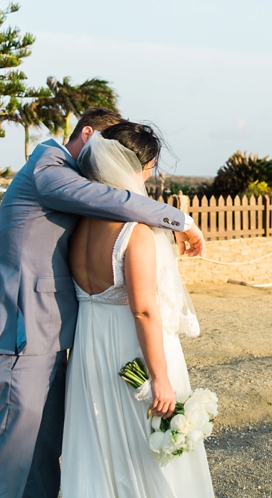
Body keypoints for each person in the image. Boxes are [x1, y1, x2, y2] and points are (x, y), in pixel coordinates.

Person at [0, 108, 205, 498]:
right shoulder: (49, 167)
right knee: (5, 464)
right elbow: (105, 197)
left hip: (55, 341)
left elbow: (108, 206)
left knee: (42, 459)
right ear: (90, 134)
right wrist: (181, 220)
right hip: (19, 338)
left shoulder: (81, 198)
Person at [61, 121, 213, 497]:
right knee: (142, 446)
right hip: (133, 352)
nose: (150, 177)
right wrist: (160, 378)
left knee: (100, 445)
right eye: (149, 169)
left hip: (89, 347)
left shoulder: (78, 224)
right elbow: (144, 310)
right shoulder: (135, 231)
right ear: (134, 169)